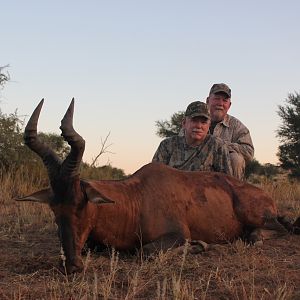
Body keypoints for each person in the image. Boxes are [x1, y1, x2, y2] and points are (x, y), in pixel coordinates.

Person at [152, 101, 233, 176]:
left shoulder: (217, 145)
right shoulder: (167, 145)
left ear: (209, 125)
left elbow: (227, 182)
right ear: (184, 123)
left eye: (203, 122)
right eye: (194, 121)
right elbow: (154, 177)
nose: (199, 126)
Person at [206, 83, 254, 180]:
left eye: (225, 100)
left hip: (225, 174)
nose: (220, 103)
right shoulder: (195, 121)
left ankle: (233, 193)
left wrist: (221, 146)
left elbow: (249, 152)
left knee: (236, 159)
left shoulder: (237, 126)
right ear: (207, 101)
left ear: (229, 105)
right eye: (217, 98)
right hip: (198, 170)